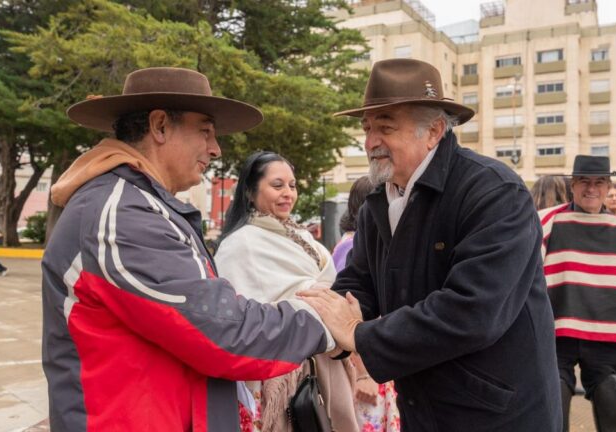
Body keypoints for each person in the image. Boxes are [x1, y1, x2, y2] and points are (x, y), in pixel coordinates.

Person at [42, 67, 336, 431]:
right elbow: (223, 331)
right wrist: (322, 320)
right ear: (160, 126)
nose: (215, 149)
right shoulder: (121, 212)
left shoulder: (140, 203)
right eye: (205, 131)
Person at [299, 58, 562, 431]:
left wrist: (358, 334)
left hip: (498, 413)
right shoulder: (381, 199)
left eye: (385, 128)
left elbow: (472, 312)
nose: (371, 142)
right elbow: (360, 282)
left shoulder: (493, 192)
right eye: (367, 128)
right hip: (424, 407)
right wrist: (320, 322)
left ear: (434, 130)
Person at [214, 151, 358, 432]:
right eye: (277, 185)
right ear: (250, 191)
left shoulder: (302, 236)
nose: (288, 194)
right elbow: (238, 316)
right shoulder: (239, 245)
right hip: (281, 372)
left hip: (326, 360)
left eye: (292, 186)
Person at [539, 155, 616, 432]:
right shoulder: (548, 223)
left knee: (602, 382)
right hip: (559, 329)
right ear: (573, 185)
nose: (591, 188)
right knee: (558, 385)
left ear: (608, 187)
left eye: (598, 182)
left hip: (603, 332)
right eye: (584, 181)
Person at [331, 175, 400, 431]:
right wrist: (364, 374)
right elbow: (353, 311)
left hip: (375, 358)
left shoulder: (355, 242)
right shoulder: (352, 246)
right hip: (368, 364)